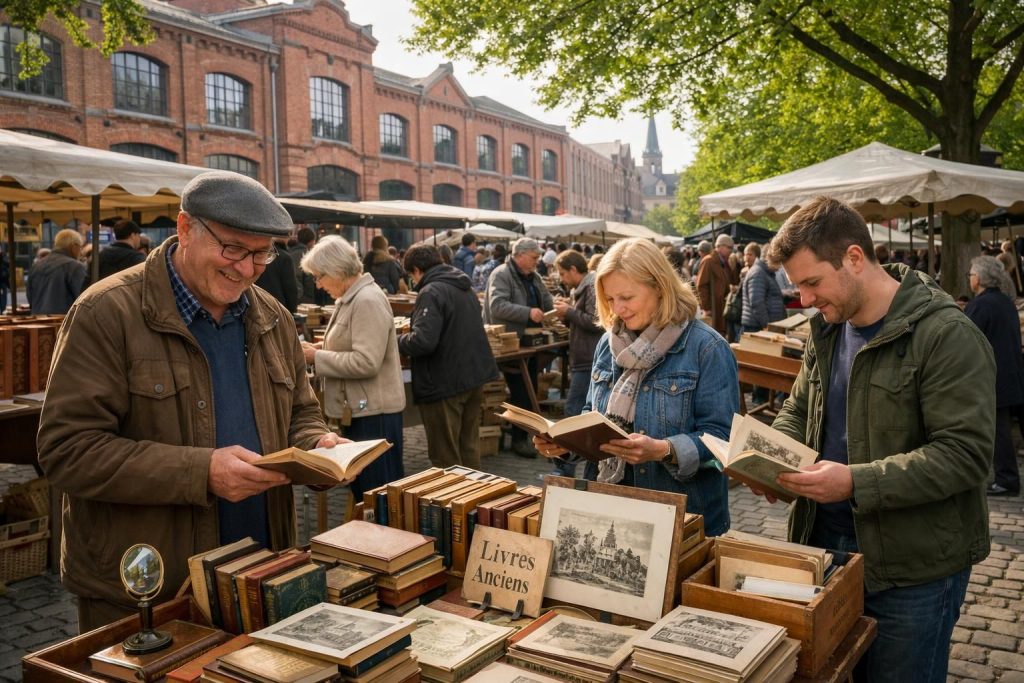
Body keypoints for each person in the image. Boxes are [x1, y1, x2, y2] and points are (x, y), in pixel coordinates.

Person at [37, 171, 345, 632]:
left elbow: (299, 409)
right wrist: (201, 472)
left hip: (259, 570)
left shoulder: (272, 316)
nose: (246, 268)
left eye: (262, 254)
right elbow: (67, 451)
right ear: (184, 229)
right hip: (150, 587)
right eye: (233, 249)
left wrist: (316, 445)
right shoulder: (105, 313)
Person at [762, 196, 994, 682]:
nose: (804, 300)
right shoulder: (826, 330)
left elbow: (964, 456)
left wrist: (854, 483)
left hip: (914, 569)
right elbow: (801, 408)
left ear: (853, 258)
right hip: (825, 548)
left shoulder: (946, 334)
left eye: (811, 283)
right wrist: (766, 456)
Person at [534, 238, 737, 534]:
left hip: (682, 519)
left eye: (627, 297)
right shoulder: (608, 343)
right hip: (609, 511)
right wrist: (564, 444)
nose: (618, 309)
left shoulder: (706, 348)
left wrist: (665, 450)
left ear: (659, 286)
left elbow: (723, 440)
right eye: (610, 299)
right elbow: (592, 415)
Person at [300, 236, 405, 497]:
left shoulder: (366, 300)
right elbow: (354, 351)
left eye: (319, 276)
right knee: (368, 496)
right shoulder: (355, 297)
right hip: (363, 411)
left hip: (373, 415)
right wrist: (319, 351)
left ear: (336, 270)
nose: (318, 284)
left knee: (377, 498)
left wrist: (316, 358)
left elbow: (366, 362)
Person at [398, 244, 500, 468]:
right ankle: (474, 497)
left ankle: (454, 501)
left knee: (446, 455)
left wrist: (397, 341)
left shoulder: (431, 291)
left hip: (444, 383)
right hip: (472, 377)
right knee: (469, 447)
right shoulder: (462, 285)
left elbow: (423, 341)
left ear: (416, 269)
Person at [484, 237, 554, 457]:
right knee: (522, 392)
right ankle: (519, 438)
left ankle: (526, 435)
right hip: (508, 342)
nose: (537, 261)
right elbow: (497, 306)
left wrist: (555, 308)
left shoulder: (533, 276)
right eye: (534, 257)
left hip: (529, 340)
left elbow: (545, 299)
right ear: (520, 255)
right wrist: (528, 312)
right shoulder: (502, 274)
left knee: (529, 388)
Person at [965, 255, 1023, 497]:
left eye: (970, 274)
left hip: (994, 378)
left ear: (978, 278)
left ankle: (1007, 479)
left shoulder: (982, 305)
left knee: (998, 431)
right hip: (1010, 373)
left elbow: (965, 339)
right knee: (1000, 429)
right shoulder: (1004, 301)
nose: (969, 278)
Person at [549, 249, 603, 478]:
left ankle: (565, 470)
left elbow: (596, 321)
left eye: (562, 273)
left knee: (573, 412)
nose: (561, 278)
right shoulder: (581, 288)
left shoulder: (590, 287)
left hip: (589, 358)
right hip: (584, 357)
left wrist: (569, 312)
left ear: (573, 269)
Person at [26, 228, 87, 314]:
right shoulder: (74, 266)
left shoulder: (36, 265)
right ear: (73, 246)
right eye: (80, 247)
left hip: (38, 319)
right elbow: (83, 299)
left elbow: (30, 296)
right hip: (63, 320)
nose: (81, 252)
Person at [696, 233, 739, 336]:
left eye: (732, 248)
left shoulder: (724, 262)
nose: (731, 250)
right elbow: (701, 286)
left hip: (721, 308)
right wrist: (706, 308)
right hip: (713, 309)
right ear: (720, 246)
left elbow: (730, 281)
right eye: (729, 247)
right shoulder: (709, 260)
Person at [255, 237, 299, 313]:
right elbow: (290, 288)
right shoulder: (285, 257)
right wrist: (292, 312)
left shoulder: (258, 253)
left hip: (256, 303)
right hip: (278, 307)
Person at [288, 226, 318, 304]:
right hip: (304, 299)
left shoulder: (289, 253)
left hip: (290, 296)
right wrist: (310, 301)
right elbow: (309, 281)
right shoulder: (308, 255)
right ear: (311, 241)